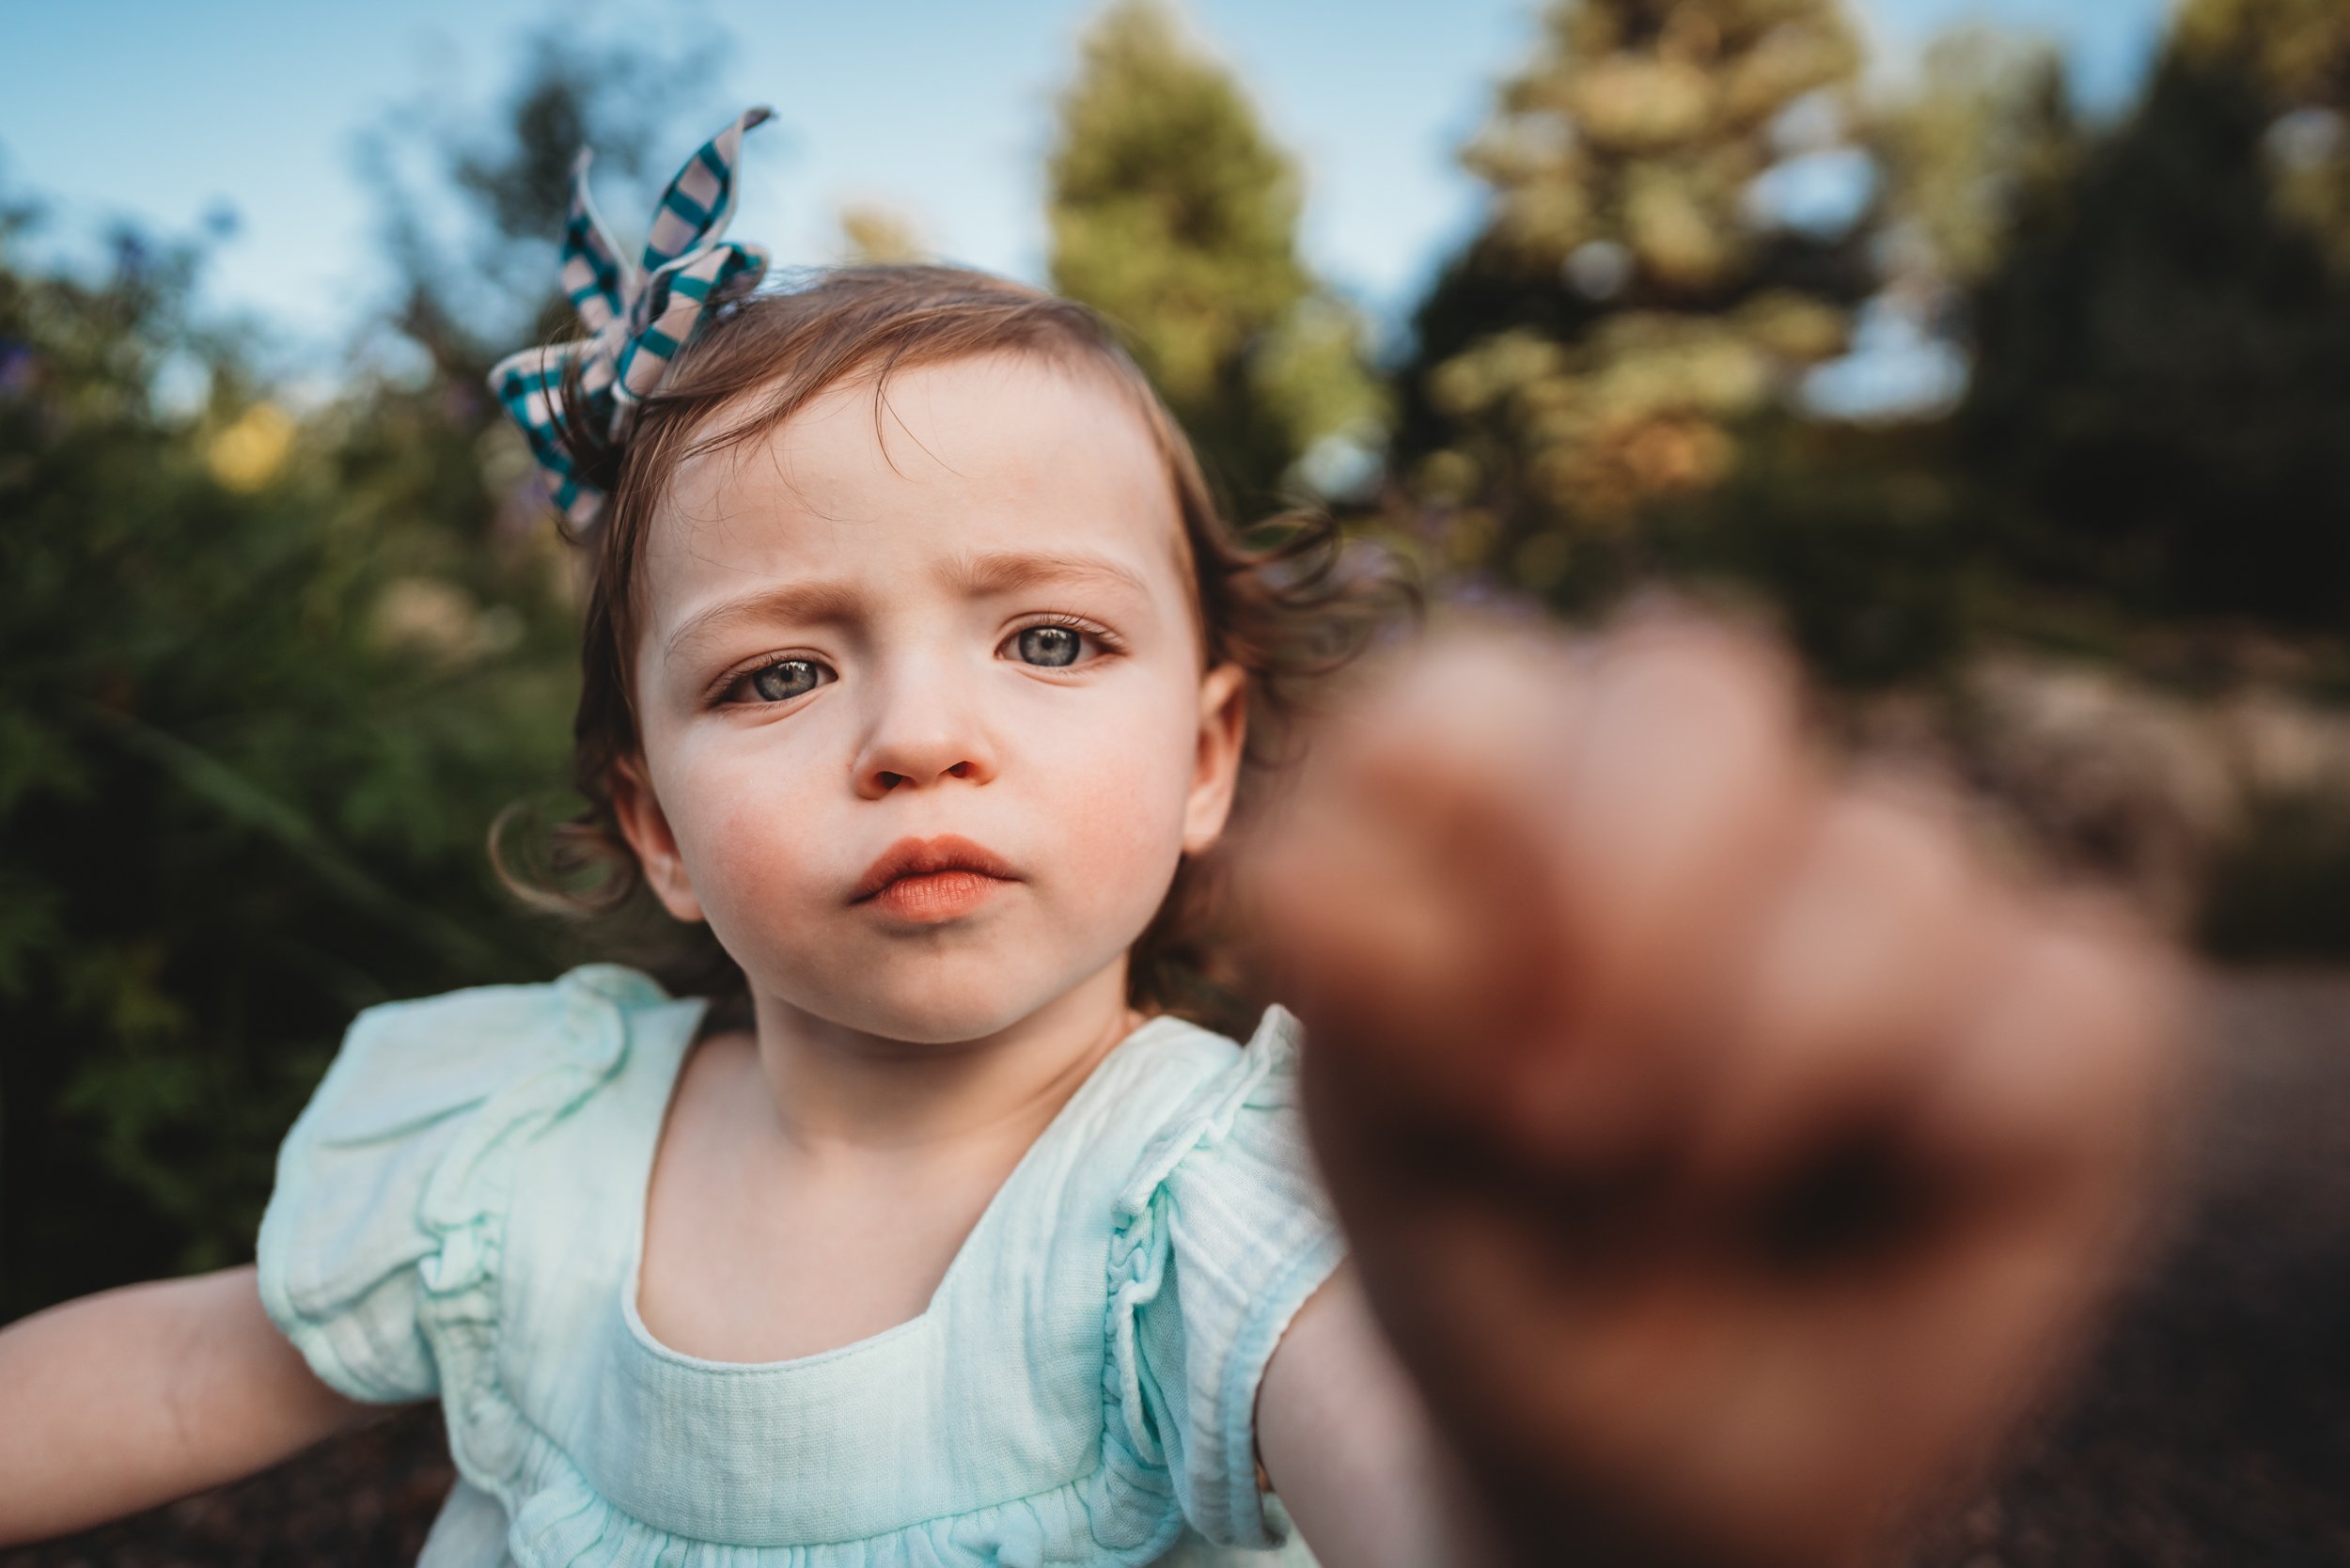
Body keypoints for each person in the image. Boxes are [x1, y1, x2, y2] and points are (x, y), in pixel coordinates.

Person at [0, 111, 2178, 1568]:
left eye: (1046, 639)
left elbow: (1395, 1475)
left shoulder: (1194, 1198)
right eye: (779, 675)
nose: (919, 738)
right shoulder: (519, 1152)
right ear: (652, 832)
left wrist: (1579, 1482)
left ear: (1209, 752)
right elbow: (195, 1360)